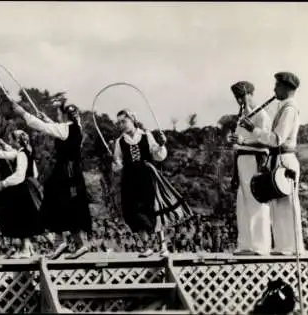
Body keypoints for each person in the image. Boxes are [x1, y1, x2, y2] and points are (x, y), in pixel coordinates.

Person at [233, 71, 304, 255]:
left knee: (288, 204)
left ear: (286, 88)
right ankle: (282, 246)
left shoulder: (289, 109)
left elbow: (276, 139)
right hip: (279, 159)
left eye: (277, 86)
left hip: (286, 159)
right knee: (278, 205)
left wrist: (254, 131)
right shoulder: (284, 107)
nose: (274, 89)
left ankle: (293, 247)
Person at [12, 101, 92, 260]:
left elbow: (42, 127)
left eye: (58, 114)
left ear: (64, 115)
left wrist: (23, 113)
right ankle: (76, 243)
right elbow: (57, 127)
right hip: (73, 172)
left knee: (54, 202)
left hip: (65, 173)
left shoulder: (65, 128)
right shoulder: (76, 127)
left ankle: (61, 242)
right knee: (69, 205)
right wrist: (48, 119)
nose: (57, 116)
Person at [112, 109, 193, 257]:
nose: (121, 125)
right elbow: (118, 163)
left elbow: (159, 156)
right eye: (119, 123)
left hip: (146, 176)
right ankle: (146, 245)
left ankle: (163, 247)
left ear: (132, 119)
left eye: (124, 121)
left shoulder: (146, 135)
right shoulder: (120, 141)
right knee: (134, 212)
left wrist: (162, 145)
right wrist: (117, 164)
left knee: (154, 208)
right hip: (129, 179)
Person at [227, 81, 272, 256]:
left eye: (243, 97)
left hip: (255, 160)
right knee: (243, 204)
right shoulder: (241, 117)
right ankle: (245, 244)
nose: (240, 102)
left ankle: (261, 246)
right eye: (237, 98)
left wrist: (243, 142)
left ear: (251, 95)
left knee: (257, 202)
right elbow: (239, 140)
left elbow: (266, 142)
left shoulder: (261, 116)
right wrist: (235, 141)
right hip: (241, 161)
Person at [0, 130, 43, 259]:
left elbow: (19, 174)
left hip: (23, 188)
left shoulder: (20, 154)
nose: (9, 142)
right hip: (31, 186)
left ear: (17, 141)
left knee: (21, 218)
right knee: (24, 218)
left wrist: (3, 183)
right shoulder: (27, 150)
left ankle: (25, 249)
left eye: (11, 140)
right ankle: (26, 248)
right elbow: (34, 172)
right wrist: (4, 144)